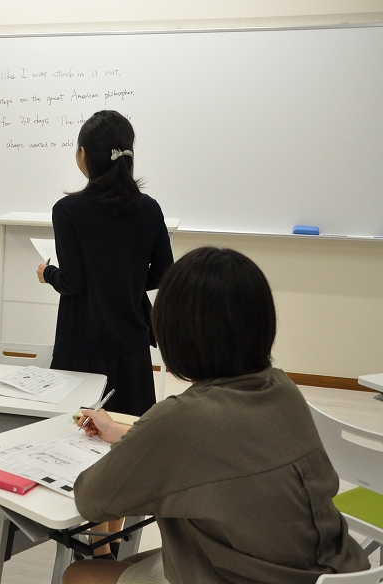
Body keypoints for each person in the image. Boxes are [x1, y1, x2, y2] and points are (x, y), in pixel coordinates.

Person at [64, 247, 370, 584]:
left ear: (174, 331)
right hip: (333, 567)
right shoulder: (282, 388)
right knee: (153, 558)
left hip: (253, 574)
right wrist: (124, 432)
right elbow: (220, 453)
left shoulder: (181, 418)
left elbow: (91, 499)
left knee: (82, 574)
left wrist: (137, 441)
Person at [37, 110, 173, 417]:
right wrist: (130, 280)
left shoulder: (68, 210)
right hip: (132, 342)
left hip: (82, 342)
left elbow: (73, 281)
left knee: (75, 432)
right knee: (129, 431)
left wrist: (48, 273)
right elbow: (165, 272)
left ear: (83, 154)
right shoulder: (149, 209)